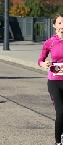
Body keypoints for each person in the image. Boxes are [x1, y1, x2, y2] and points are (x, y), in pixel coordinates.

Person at [38, 13, 63, 145]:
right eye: (59, 23)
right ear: (54, 25)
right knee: (60, 111)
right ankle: (58, 142)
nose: (62, 26)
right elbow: (40, 60)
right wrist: (44, 64)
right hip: (55, 81)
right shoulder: (50, 42)